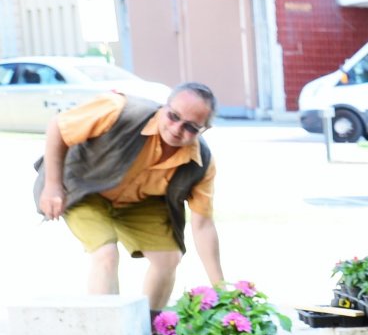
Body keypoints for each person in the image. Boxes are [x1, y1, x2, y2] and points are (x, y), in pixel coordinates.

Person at [33, 82, 226, 314]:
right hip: (84, 188)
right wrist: (53, 185)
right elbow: (58, 125)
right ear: (164, 107)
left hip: (139, 202)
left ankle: (149, 326)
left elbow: (203, 225)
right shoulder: (119, 109)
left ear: (205, 129)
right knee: (106, 255)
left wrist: (221, 291)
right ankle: (106, 327)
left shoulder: (202, 163)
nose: (177, 129)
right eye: (173, 116)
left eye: (191, 127)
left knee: (168, 259)